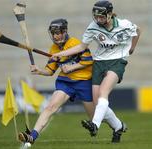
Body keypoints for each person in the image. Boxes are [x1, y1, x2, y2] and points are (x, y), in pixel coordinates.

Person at [52, 0, 140, 143]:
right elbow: (81, 47)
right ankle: (118, 126)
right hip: (99, 62)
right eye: (96, 16)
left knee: (103, 93)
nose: (98, 20)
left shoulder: (124, 24)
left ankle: (94, 125)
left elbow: (137, 31)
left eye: (102, 17)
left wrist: (131, 48)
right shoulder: (93, 27)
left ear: (110, 14)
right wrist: (61, 54)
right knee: (97, 101)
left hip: (118, 61)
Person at [18, 18, 94, 145]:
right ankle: (32, 136)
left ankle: (117, 126)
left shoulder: (75, 43)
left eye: (58, 33)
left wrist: (71, 67)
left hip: (83, 82)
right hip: (66, 82)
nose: (56, 36)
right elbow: (50, 71)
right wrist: (39, 70)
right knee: (50, 107)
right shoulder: (53, 48)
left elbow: (89, 61)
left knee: (95, 118)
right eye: (53, 33)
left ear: (65, 32)